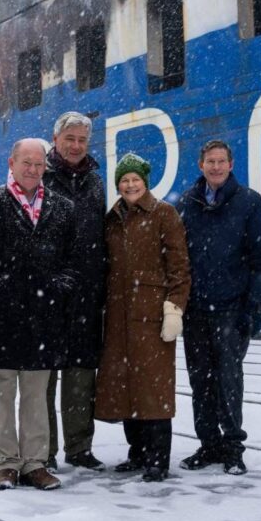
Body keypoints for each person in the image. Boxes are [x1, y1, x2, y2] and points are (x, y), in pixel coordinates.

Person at [0, 138, 78, 491]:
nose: (33, 169)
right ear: (11, 163)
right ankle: (7, 463)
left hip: (43, 315)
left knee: (37, 395)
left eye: (39, 164)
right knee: (1, 392)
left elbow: (73, 259)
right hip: (0, 315)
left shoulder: (63, 208)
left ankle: (35, 464)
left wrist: (59, 288)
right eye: (26, 162)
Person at [176, 140, 261, 475]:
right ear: (200, 164)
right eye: (210, 161)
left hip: (231, 309)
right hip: (195, 311)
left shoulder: (249, 203)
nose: (216, 167)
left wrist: (255, 308)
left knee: (228, 380)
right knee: (200, 382)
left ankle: (233, 447)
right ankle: (209, 444)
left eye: (221, 161)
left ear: (231, 165)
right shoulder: (188, 204)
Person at [94, 153, 191, 482]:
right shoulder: (112, 218)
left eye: (135, 179)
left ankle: (157, 459)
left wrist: (174, 307)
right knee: (126, 388)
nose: (130, 184)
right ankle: (136, 453)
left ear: (145, 182)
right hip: (119, 317)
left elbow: (179, 267)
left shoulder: (164, 214)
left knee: (154, 391)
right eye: (124, 180)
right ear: (118, 185)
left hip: (151, 317)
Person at [43, 112, 106, 472]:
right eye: (70, 138)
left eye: (82, 139)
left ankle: (79, 448)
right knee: (45, 378)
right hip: (49, 295)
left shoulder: (95, 182)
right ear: (55, 139)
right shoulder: (41, 175)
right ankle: (45, 450)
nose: (76, 146)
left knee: (81, 377)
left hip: (86, 294)